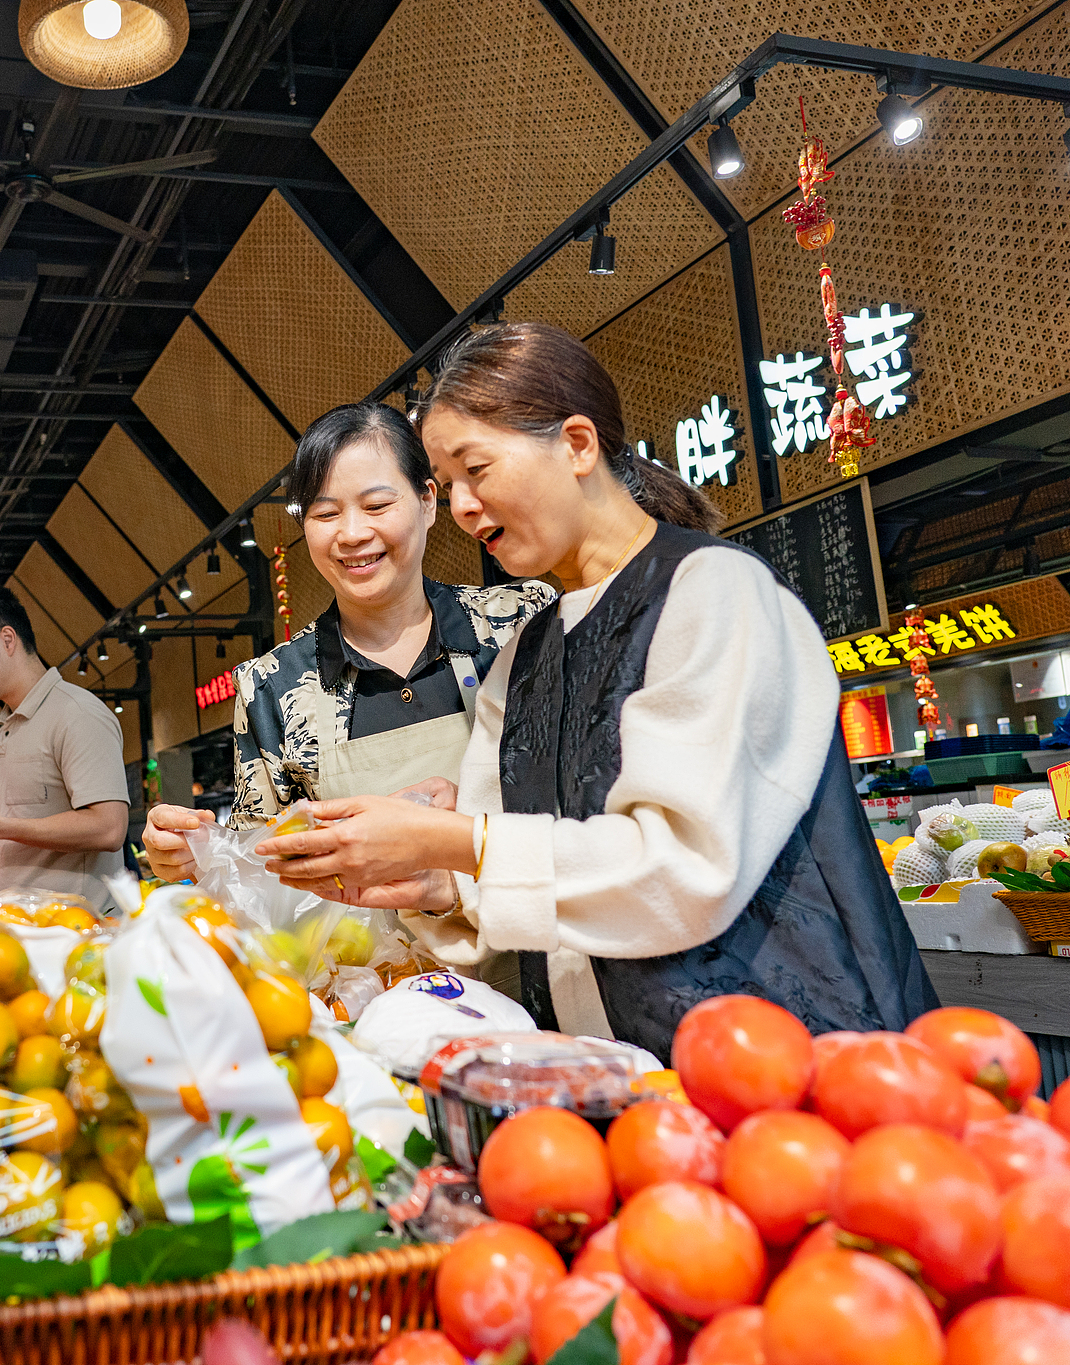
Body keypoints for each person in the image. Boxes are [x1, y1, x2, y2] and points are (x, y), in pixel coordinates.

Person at [256, 322, 935, 1057]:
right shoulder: (523, 658)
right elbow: (520, 868)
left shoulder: (713, 591)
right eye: (449, 487)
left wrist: (456, 841)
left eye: (476, 470)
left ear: (577, 445)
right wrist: (435, 883)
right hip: (623, 1074)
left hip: (794, 1058)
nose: (461, 507)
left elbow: (682, 866)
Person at [139, 402, 555, 882]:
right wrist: (197, 854)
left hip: (532, 916)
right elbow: (263, 869)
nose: (353, 534)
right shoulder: (271, 685)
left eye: (377, 506)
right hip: (359, 935)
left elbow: (584, 793)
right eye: (325, 513)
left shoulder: (519, 622)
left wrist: (471, 817)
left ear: (427, 501)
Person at [0, 583, 130, 910]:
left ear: (7, 640)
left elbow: (109, 828)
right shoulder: (5, 732)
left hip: (76, 928)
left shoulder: (77, 713)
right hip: (17, 926)